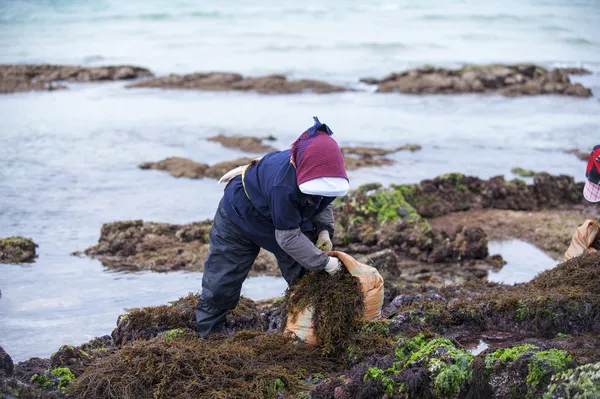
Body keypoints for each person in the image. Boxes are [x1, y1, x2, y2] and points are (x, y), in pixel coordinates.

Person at [195, 117, 350, 338]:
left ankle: (310, 335)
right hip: (240, 217)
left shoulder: (329, 174)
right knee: (221, 284)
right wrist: (324, 262)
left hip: (288, 220)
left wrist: (324, 230)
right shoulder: (282, 184)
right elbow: (287, 238)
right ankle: (208, 336)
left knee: (307, 280)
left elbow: (322, 204)